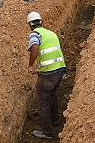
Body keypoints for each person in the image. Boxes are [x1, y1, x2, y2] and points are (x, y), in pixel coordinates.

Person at [26, 11, 67, 140]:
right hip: (59, 70)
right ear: (41, 22)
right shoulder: (50, 33)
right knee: (52, 95)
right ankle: (54, 120)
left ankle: (47, 132)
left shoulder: (35, 34)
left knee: (43, 101)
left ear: (30, 25)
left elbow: (35, 47)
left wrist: (31, 65)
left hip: (48, 73)